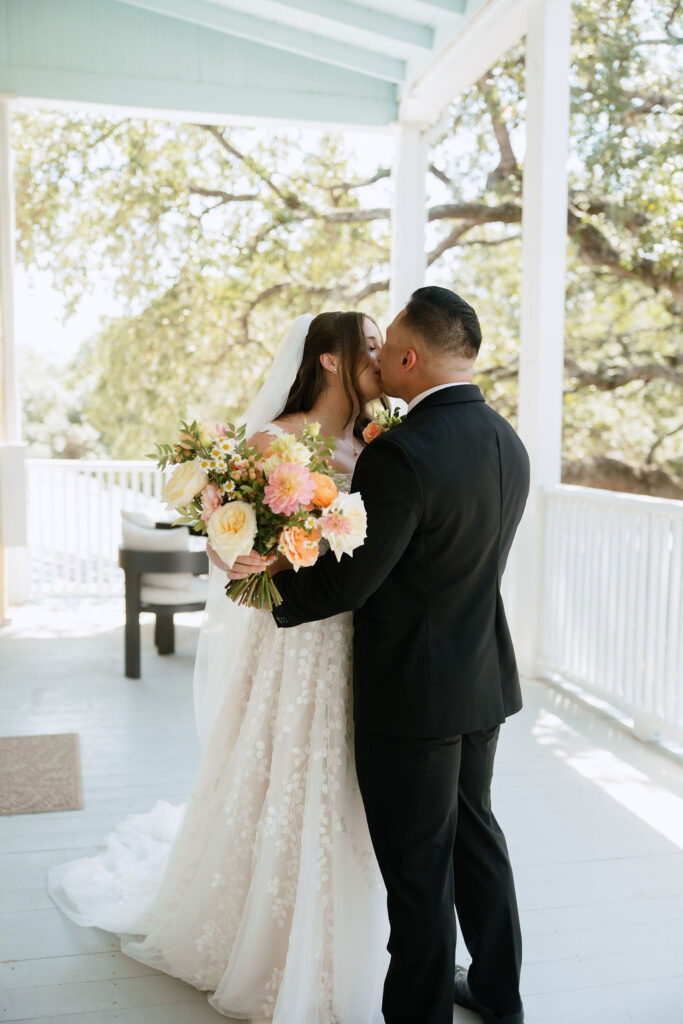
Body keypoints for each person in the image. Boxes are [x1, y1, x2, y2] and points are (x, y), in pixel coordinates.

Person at [48, 311, 390, 1023]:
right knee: (282, 766)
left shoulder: (378, 444)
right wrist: (237, 552)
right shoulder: (273, 440)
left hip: (359, 636)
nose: (382, 355)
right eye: (369, 345)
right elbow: (224, 540)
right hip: (289, 641)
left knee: (348, 779)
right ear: (330, 359)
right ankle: (262, 933)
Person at [228, 287, 529, 1024]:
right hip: (482, 681)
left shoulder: (401, 453)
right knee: (478, 842)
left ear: (409, 357)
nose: (377, 356)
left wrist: (266, 586)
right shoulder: (506, 441)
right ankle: (498, 997)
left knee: (418, 874)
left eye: (385, 344)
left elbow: (352, 580)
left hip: (413, 696)